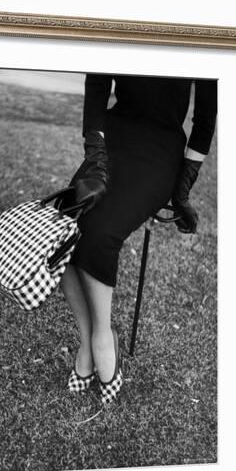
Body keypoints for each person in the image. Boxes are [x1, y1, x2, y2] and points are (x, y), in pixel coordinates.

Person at [59, 73, 217, 406]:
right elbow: (97, 84)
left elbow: (205, 119)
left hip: (161, 151)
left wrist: (183, 184)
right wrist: (95, 154)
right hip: (112, 141)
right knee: (66, 226)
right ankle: (88, 341)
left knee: (100, 234)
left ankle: (104, 337)